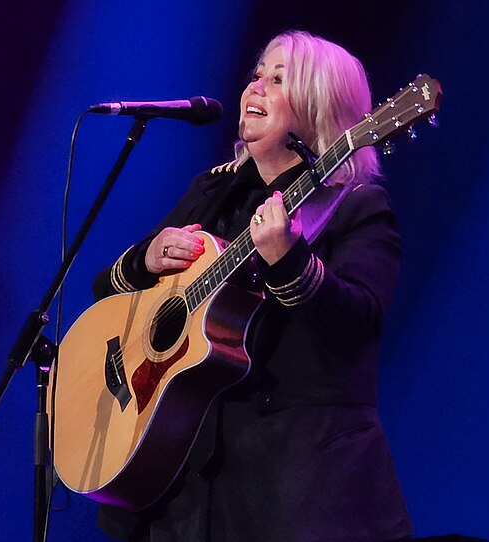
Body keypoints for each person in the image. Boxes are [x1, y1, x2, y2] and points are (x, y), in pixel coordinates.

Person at [91, 30, 413, 542]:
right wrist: (143, 261)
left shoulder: (354, 205)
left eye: (280, 79)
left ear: (320, 104)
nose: (256, 87)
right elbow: (108, 298)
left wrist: (290, 261)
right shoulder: (211, 191)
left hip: (294, 486)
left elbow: (360, 321)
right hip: (182, 484)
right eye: (258, 74)